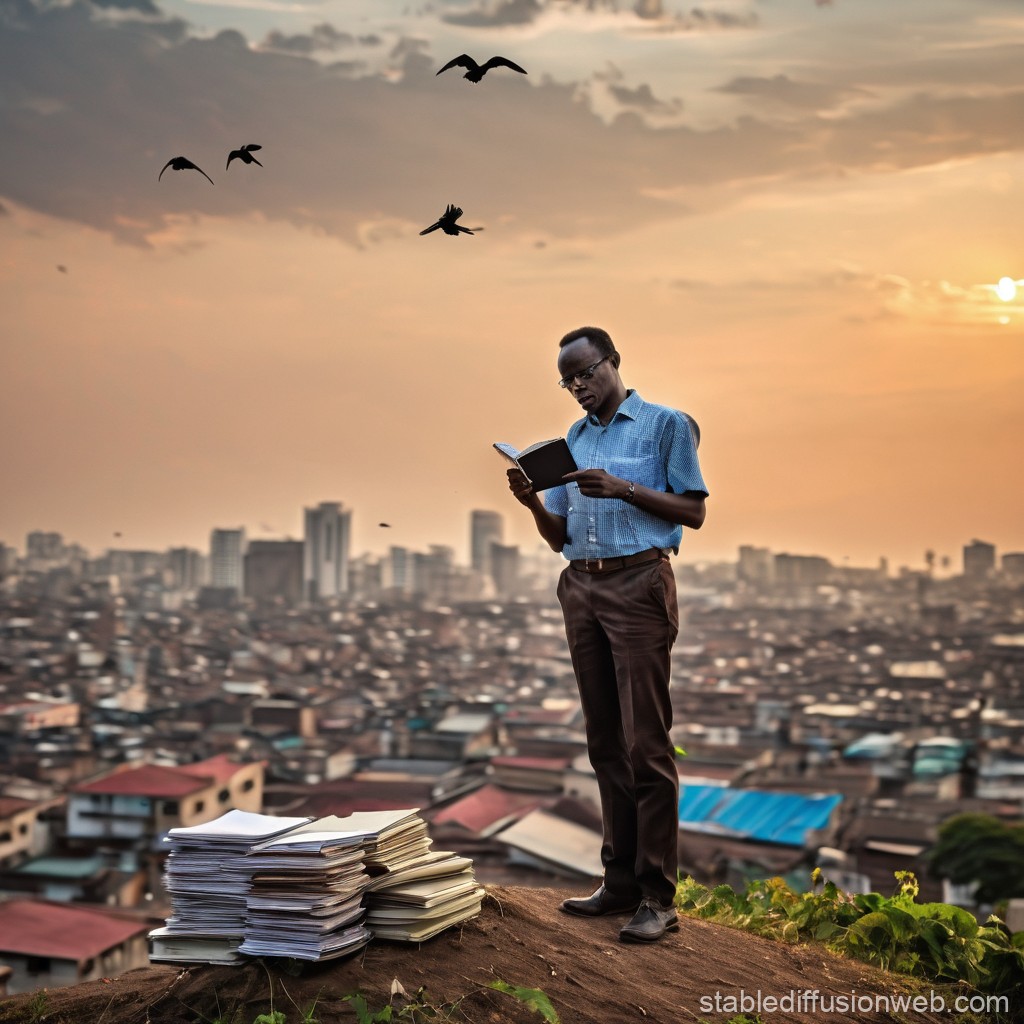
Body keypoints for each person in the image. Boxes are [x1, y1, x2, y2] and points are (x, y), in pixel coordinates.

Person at [506, 325, 707, 943]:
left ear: (613, 362)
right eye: (568, 381)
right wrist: (534, 504)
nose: (578, 388)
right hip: (582, 586)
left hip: (639, 582)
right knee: (603, 742)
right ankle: (618, 883)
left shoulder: (668, 425)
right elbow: (561, 537)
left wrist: (622, 487)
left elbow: (695, 511)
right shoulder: (573, 438)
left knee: (647, 744)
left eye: (586, 374)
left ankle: (657, 896)